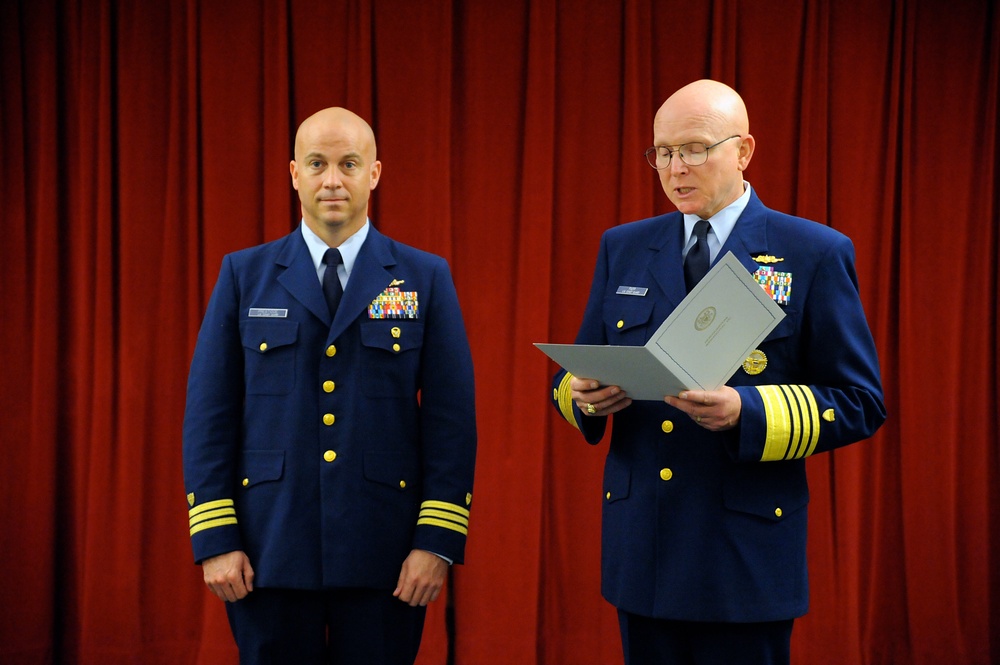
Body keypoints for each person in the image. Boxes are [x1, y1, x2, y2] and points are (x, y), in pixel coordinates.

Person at [549, 80, 886, 664]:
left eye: (695, 149)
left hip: (743, 552)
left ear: (744, 151)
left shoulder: (812, 252)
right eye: (663, 152)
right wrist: (582, 397)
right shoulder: (623, 247)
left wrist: (747, 411)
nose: (676, 168)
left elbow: (859, 400)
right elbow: (576, 368)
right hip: (645, 549)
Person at [183, 107, 477, 664]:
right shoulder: (244, 275)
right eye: (317, 164)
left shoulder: (422, 278)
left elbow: (451, 423)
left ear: (375, 173)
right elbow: (209, 415)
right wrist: (216, 539)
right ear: (294, 173)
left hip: (385, 557)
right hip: (267, 552)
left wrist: (434, 541)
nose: (333, 180)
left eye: (349, 163)